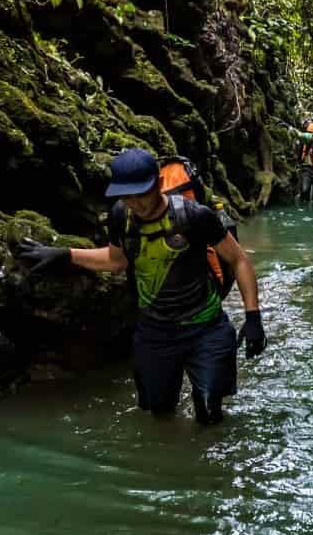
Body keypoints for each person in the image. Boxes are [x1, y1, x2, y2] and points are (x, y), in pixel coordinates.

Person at [17, 149, 265, 424]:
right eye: (127, 195)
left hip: (206, 327)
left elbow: (239, 260)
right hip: (155, 331)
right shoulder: (121, 216)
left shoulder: (195, 215)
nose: (136, 203)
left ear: (158, 184)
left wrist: (253, 317)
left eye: (141, 193)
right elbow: (116, 260)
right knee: (159, 412)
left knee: (208, 411)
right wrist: (65, 255)